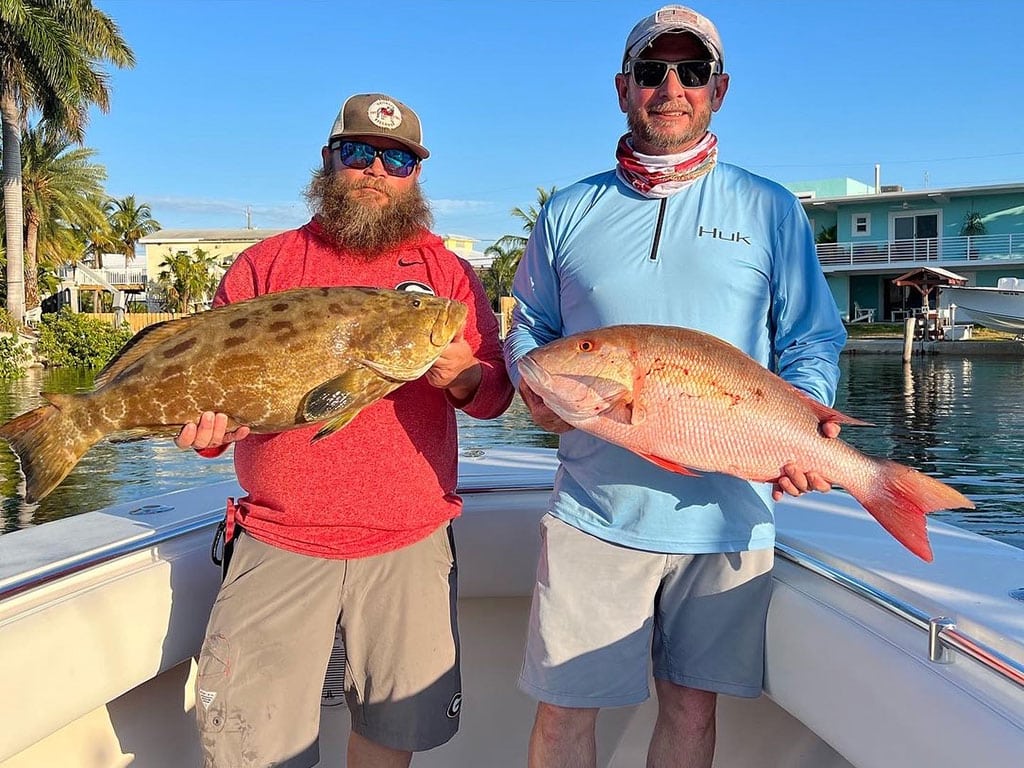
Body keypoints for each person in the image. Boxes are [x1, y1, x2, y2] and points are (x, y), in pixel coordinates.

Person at [503, 6, 847, 768]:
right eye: (652, 71)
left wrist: (805, 426)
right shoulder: (569, 209)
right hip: (595, 513)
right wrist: (531, 381)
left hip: (730, 516)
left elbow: (811, 339)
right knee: (565, 711)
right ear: (622, 87)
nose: (671, 87)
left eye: (691, 72)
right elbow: (529, 323)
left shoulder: (769, 207)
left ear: (718, 90)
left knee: (692, 709)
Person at [175, 92, 514, 768]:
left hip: (410, 542)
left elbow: (494, 392)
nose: (376, 171)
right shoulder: (265, 266)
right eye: (359, 153)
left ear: (416, 175)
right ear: (330, 161)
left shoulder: (448, 275)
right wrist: (207, 430)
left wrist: (463, 378)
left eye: (397, 159)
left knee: (392, 734)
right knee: (253, 747)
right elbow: (208, 399)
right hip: (279, 536)